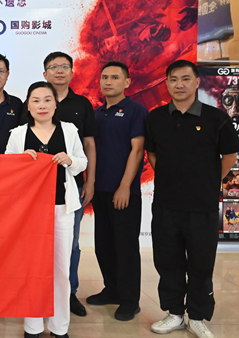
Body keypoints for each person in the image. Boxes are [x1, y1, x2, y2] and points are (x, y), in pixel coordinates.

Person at [145, 60, 239, 338]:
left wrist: (209, 182)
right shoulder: (155, 118)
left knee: (201, 264)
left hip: (202, 207)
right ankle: (174, 313)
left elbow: (229, 156)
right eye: (173, 79)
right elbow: (152, 154)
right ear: (167, 83)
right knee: (168, 262)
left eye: (186, 79)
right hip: (166, 205)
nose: (179, 85)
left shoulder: (216, 119)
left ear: (197, 82)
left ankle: (197, 316)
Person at [5, 81, 87, 338]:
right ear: (28, 106)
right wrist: (20, 161)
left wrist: (70, 160)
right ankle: (32, 326)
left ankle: (59, 328)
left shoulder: (69, 130)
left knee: (61, 270)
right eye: (36, 100)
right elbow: (6, 168)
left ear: (55, 104)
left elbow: (82, 161)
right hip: (29, 212)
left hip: (62, 208)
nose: (42, 105)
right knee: (32, 268)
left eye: (47, 100)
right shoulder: (18, 134)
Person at [88, 61, 148, 321]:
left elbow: (138, 149)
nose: (108, 82)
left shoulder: (136, 110)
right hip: (100, 190)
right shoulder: (97, 113)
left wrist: (124, 186)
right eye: (104, 77)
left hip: (124, 192)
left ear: (127, 82)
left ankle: (130, 301)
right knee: (103, 245)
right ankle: (111, 290)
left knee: (125, 248)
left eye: (114, 77)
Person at [42, 51, 97, 317]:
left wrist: (90, 181)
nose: (59, 71)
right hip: (38, 191)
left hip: (71, 188)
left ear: (72, 72)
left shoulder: (82, 104)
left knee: (71, 244)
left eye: (64, 66)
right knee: (39, 243)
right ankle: (41, 291)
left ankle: (69, 292)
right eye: (53, 67)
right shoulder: (35, 100)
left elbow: (89, 145)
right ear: (45, 73)